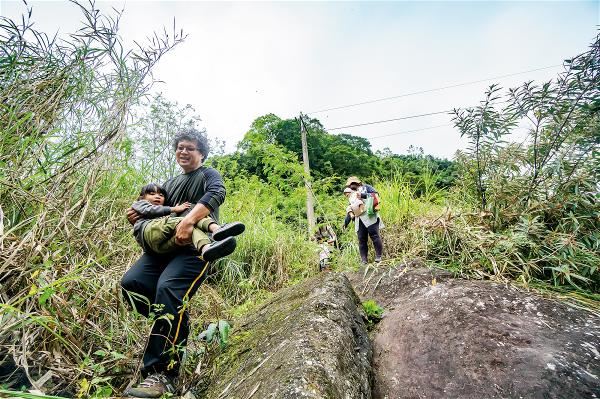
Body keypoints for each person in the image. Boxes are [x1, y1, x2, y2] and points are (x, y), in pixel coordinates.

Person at [121, 128, 227, 398]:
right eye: (180, 147)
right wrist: (137, 213)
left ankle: (162, 374)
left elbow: (217, 194)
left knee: (168, 291)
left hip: (195, 248)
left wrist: (190, 220)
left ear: (201, 153)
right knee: (132, 285)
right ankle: (177, 325)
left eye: (190, 147)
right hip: (163, 250)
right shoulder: (169, 183)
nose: (183, 151)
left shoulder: (207, 174)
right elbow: (156, 209)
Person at [131, 183, 244, 261]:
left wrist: (170, 213)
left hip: (158, 249)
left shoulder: (161, 214)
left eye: (161, 195)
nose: (157, 196)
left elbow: (160, 219)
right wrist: (174, 209)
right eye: (152, 194)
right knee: (188, 220)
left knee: (189, 228)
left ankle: (205, 247)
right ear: (141, 197)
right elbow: (150, 210)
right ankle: (215, 229)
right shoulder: (139, 204)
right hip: (147, 233)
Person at [345, 176, 384, 264]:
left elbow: (376, 196)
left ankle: (378, 257)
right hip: (359, 219)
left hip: (370, 216)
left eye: (353, 184)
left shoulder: (367, 187)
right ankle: (364, 260)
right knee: (361, 240)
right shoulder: (351, 195)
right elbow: (351, 208)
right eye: (350, 185)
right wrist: (346, 222)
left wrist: (362, 195)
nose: (351, 186)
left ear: (357, 183)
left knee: (375, 236)